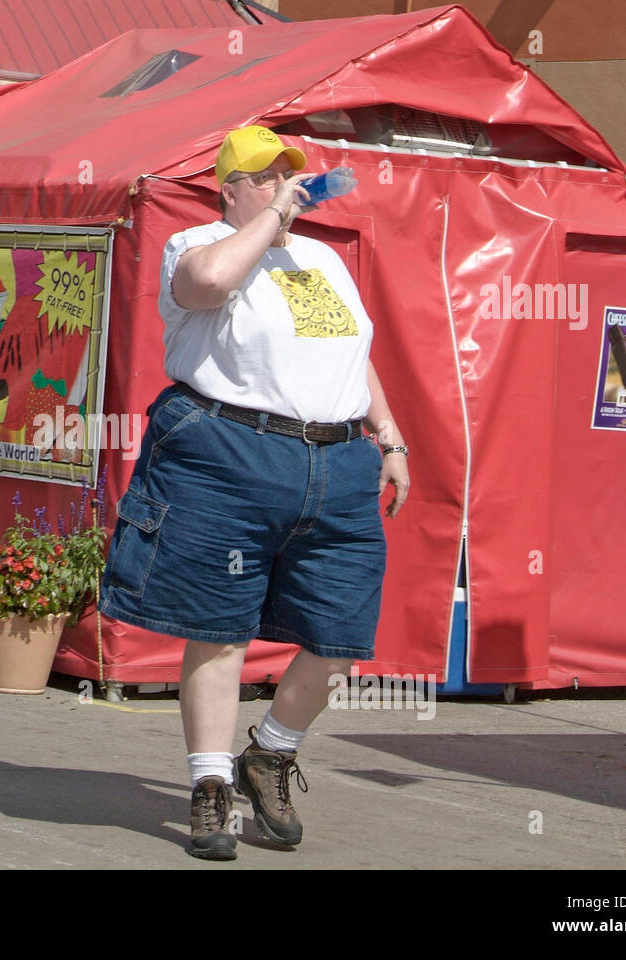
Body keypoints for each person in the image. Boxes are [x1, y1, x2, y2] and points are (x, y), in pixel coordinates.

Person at [98, 125, 410, 860]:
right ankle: (209, 787)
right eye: (263, 178)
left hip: (335, 461)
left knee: (340, 637)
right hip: (229, 452)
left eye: (287, 176)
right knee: (219, 625)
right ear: (229, 189)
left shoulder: (323, 258)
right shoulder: (197, 243)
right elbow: (206, 285)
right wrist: (270, 222)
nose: (281, 187)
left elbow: (351, 357)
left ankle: (269, 752)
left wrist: (389, 435)